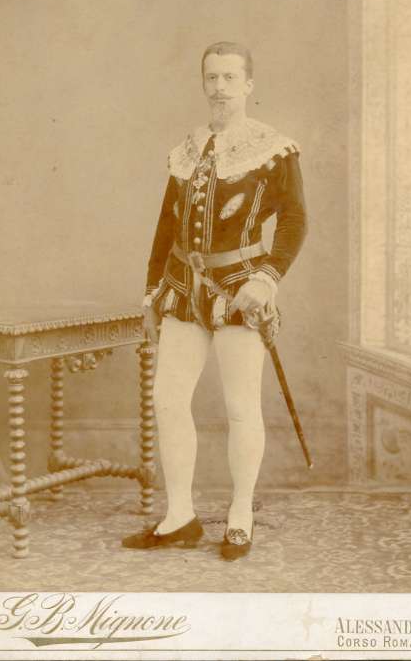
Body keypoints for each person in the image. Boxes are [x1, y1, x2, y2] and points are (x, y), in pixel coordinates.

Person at [121, 41, 307, 560]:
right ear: (203, 83)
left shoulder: (273, 149)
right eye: (211, 77)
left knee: (240, 406)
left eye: (230, 77)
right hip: (183, 288)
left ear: (249, 85)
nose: (220, 87)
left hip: (239, 290)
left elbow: (295, 220)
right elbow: (165, 227)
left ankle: (240, 514)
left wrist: (266, 279)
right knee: (167, 399)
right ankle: (179, 516)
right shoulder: (187, 148)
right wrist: (151, 292)